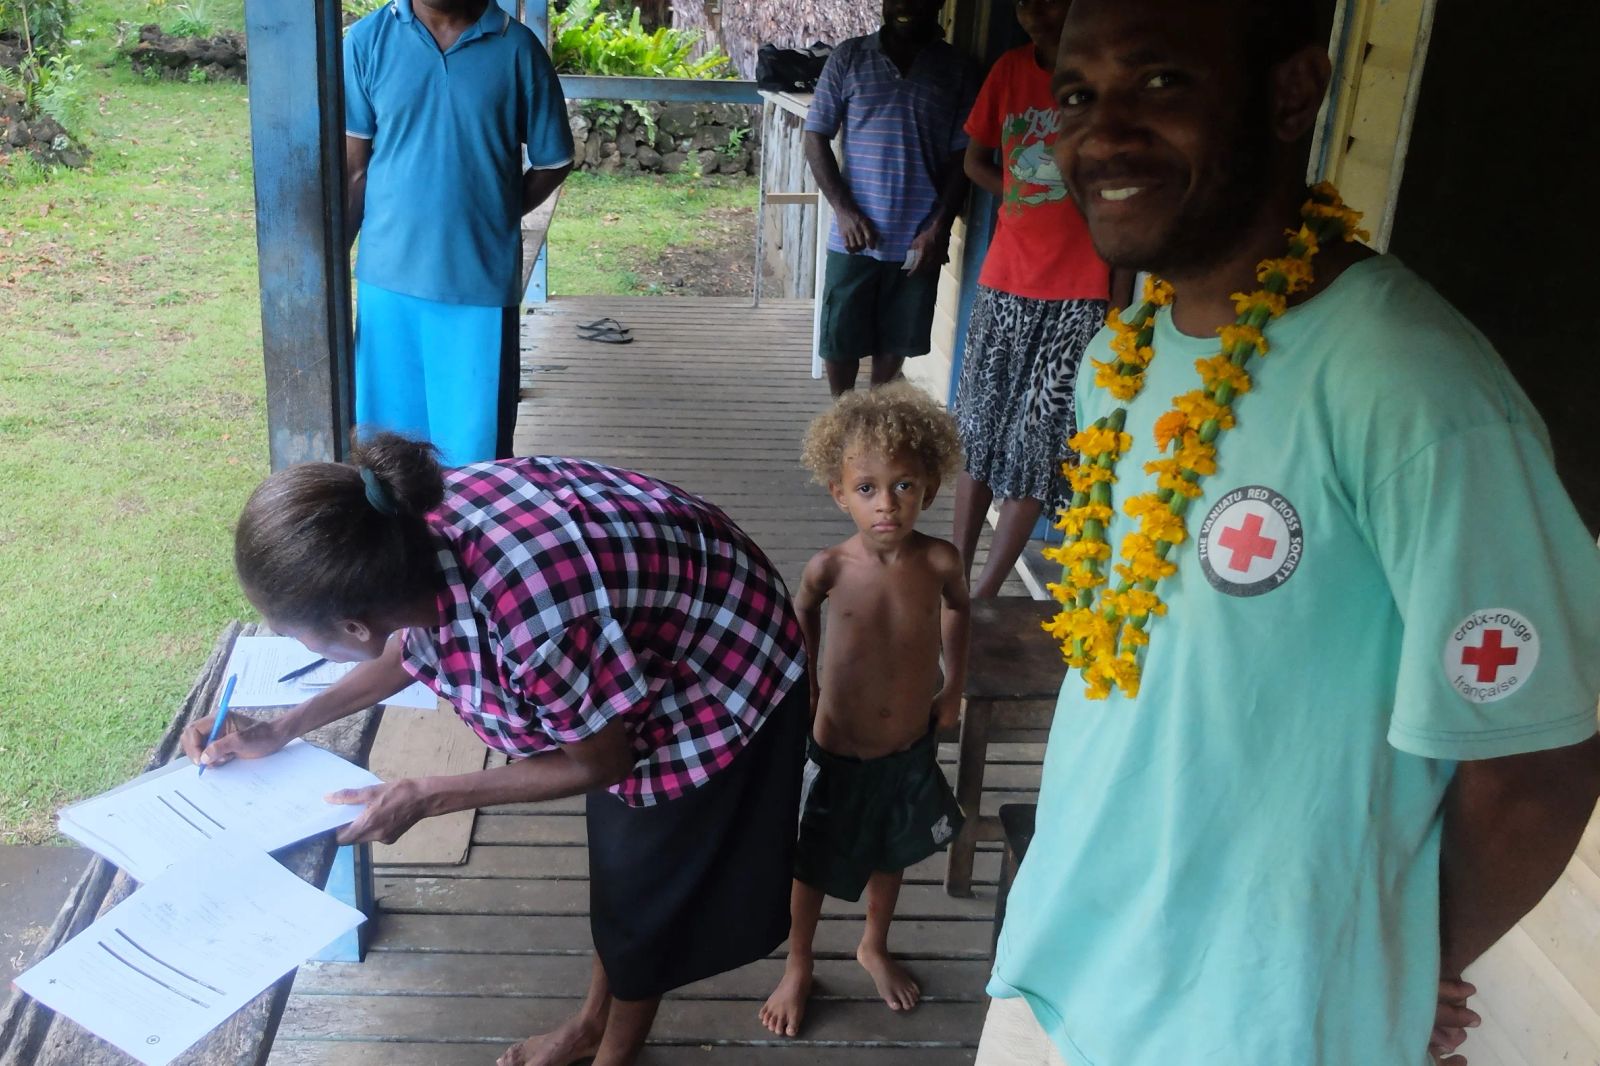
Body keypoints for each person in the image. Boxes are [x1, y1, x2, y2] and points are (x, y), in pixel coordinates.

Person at [980, 1, 1600, 1065]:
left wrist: (1396, 960)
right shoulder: (1120, 358)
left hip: (1264, 1013)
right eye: (1078, 94)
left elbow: (1538, 760)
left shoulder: (1411, 388)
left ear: (1291, 93)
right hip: (1080, 950)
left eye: (1161, 82)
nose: (1103, 131)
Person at [182, 434, 807, 1066]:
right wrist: (286, 724)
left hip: (721, 657)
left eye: (295, 634)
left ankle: (614, 1052)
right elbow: (408, 640)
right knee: (626, 879)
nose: (297, 644)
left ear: (352, 625)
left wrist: (427, 794)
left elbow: (601, 762)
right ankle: (594, 1022)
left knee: (650, 897)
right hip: (638, 623)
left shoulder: (534, 624)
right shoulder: (396, 535)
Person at [759, 383, 971, 1036]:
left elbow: (960, 612)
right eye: (868, 488)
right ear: (839, 493)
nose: (887, 504)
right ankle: (799, 961)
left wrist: (953, 684)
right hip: (838, 747)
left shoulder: (939, 560)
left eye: (905, 486)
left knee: (891, 850)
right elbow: (800, 611)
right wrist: (808, 684)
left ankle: (872, 944)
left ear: (930, 488)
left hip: (909, 742)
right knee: (813, 860)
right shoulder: (830, 567)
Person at [950, 0, 1132, 598]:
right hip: (1005, 280)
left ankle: (983, 596)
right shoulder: (1008, 71)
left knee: (1038, 444)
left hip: (1082, 293)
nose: (1034, 10)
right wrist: (1020, 189)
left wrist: (1121, 309)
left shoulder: (1106, 77)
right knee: (979, 432)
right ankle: (954, 577)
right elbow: (976, 158)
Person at [344, 0, 573, 466]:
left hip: (479, 289)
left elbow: (554, 159)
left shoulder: (517, 49)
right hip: (387, 283)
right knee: (383, 454)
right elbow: (354, 170)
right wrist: (331, 262)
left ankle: (471, 541)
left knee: (477, 460)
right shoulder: (367, 41)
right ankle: (397, 540)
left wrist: (497, 213)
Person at [803, 0, 979, 396]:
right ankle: (844, 427)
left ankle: (877, 433)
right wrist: (844, 211)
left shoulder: (960, 69)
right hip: (854, 235)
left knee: (894, 343)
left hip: (919, 238)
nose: (906, 6)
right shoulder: (849, 56)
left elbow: (961, 159)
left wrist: (938, 228)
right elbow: (815, 136)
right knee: (840, 340)